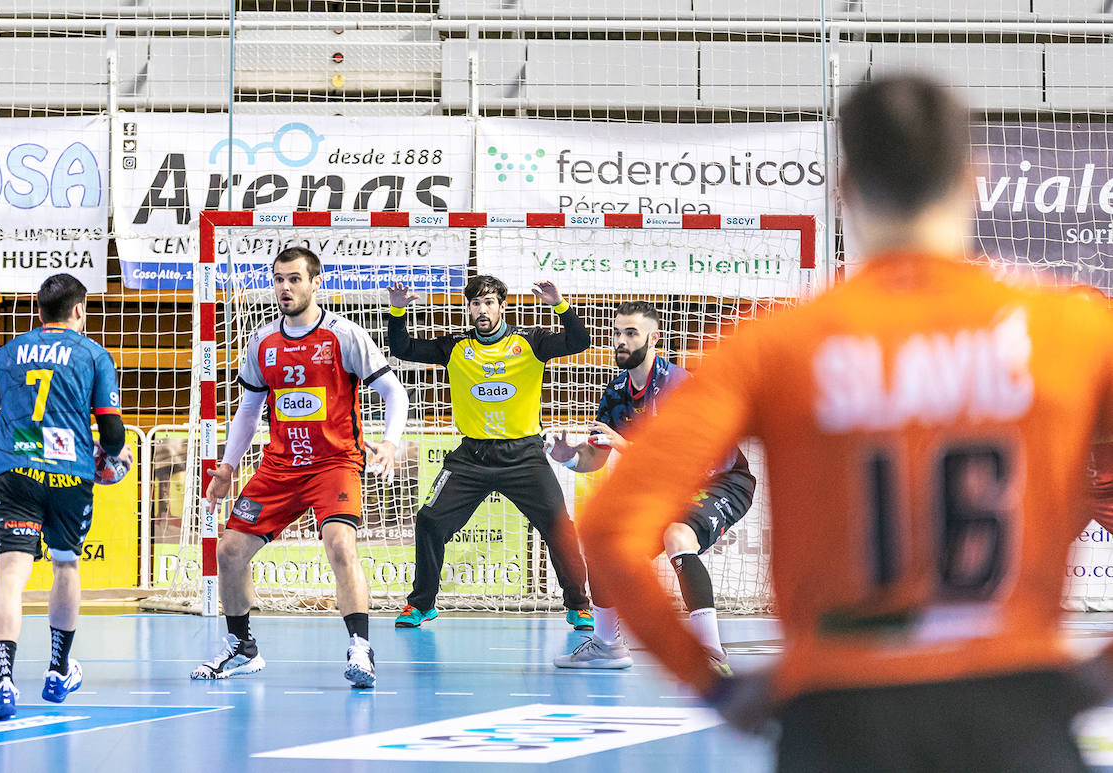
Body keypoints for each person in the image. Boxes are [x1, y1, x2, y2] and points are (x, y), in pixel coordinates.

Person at [578, 75, 1113, 772]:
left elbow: (611, 531)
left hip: (839, 711)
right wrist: (1099, 672)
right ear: (972, 179)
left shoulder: (775, 344)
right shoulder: (1070, 329)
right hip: (1013, 706)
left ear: (845, 186)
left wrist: (710, 683)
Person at [193, 247, 407, 689]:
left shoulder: (344, 335)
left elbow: (394, 393)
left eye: (294, 279)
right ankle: (241, 647)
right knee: (230, 550)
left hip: (334, 463)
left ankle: (361, 649)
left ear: (315, 282)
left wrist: (389, 442)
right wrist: (229, 467)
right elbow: (249, 410)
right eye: (278, 280)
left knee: (340, 544)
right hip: (280, 466)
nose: (284, 288)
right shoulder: (263, 341)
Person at [549, 300, 755, 670]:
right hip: (667, 487)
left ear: (654, 338)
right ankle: (606, 646)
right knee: (605, 547)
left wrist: (623, 445)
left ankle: (711, 652)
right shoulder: (615, 393)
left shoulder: (677, 385)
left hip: (720, 480)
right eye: (616, 333)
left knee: (677, 536)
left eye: (631, 333)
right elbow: (595, 458)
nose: (621, 342)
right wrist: (567, 456)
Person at [0, 273, 129, 720]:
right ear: (79, 310)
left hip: (15, 473)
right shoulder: (93, 354)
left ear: (39, 311)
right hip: (69, 473)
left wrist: (3, 456)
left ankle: (2, 682)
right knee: (65, 563)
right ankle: (58, 671)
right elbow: (112, 432)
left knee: (10, 577)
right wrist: (113, 458)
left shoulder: (9, 352)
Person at [387, 275, 593, 629]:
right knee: (430, 520)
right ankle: (421, 603)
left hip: (525, 456)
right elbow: (402, 348)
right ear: (469, 308)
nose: (481, 310)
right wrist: (398, 309)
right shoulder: (455, 347)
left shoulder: (531, 342)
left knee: (560, 527)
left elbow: (580, 341)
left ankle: (579, 604)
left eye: (488, 302)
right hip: (472, 457)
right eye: (475, 303)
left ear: (502, 306)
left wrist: (559, 303)